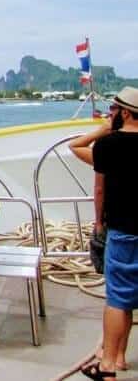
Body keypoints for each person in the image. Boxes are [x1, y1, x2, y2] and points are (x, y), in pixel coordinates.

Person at [81, 87, 138, 380]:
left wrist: (103, 130)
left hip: (124, 233)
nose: (111, 114)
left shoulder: (108, 146)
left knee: (118, 299)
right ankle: (120, 359)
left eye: (114, 110)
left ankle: (107, 367)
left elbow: (98, 188)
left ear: (124, 112)